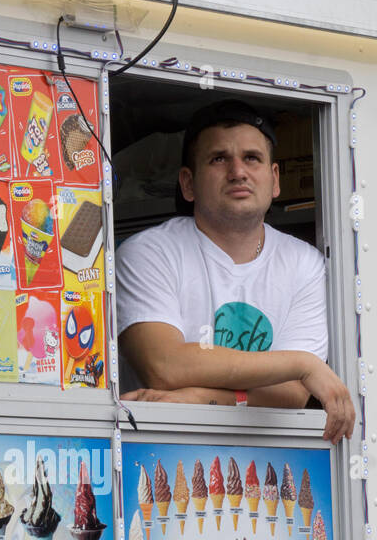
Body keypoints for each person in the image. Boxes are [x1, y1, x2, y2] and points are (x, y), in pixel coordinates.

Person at [116, 99, 355, 443]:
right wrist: (302, 364)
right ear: (188, 183)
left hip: (266, 461)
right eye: (218, 159)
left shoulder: (305, 263)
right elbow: (165, 366)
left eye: (252, 158)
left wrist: (200, 398)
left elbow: (292, 393)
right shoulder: (148, 252)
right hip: (157, 455)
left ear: (275, 180)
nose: (238, 171)